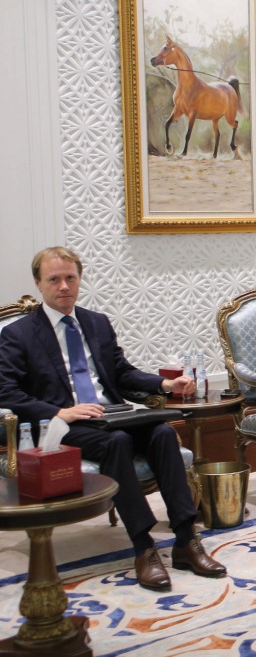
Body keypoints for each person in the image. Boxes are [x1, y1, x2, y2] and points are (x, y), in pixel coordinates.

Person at [0, 247, 225, 591]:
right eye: (54, 279)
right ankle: (144, 547)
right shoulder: (18, 335)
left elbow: (121, 373)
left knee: (162, 431)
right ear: (38, 283)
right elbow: (6, 393)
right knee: (117, 443)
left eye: (70, 278)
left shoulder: (96, 323)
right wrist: (60, 411)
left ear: (79, 280)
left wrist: (164, 383)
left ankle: (185, 539)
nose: (64, 286)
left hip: (111, 415)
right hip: (62, 425)